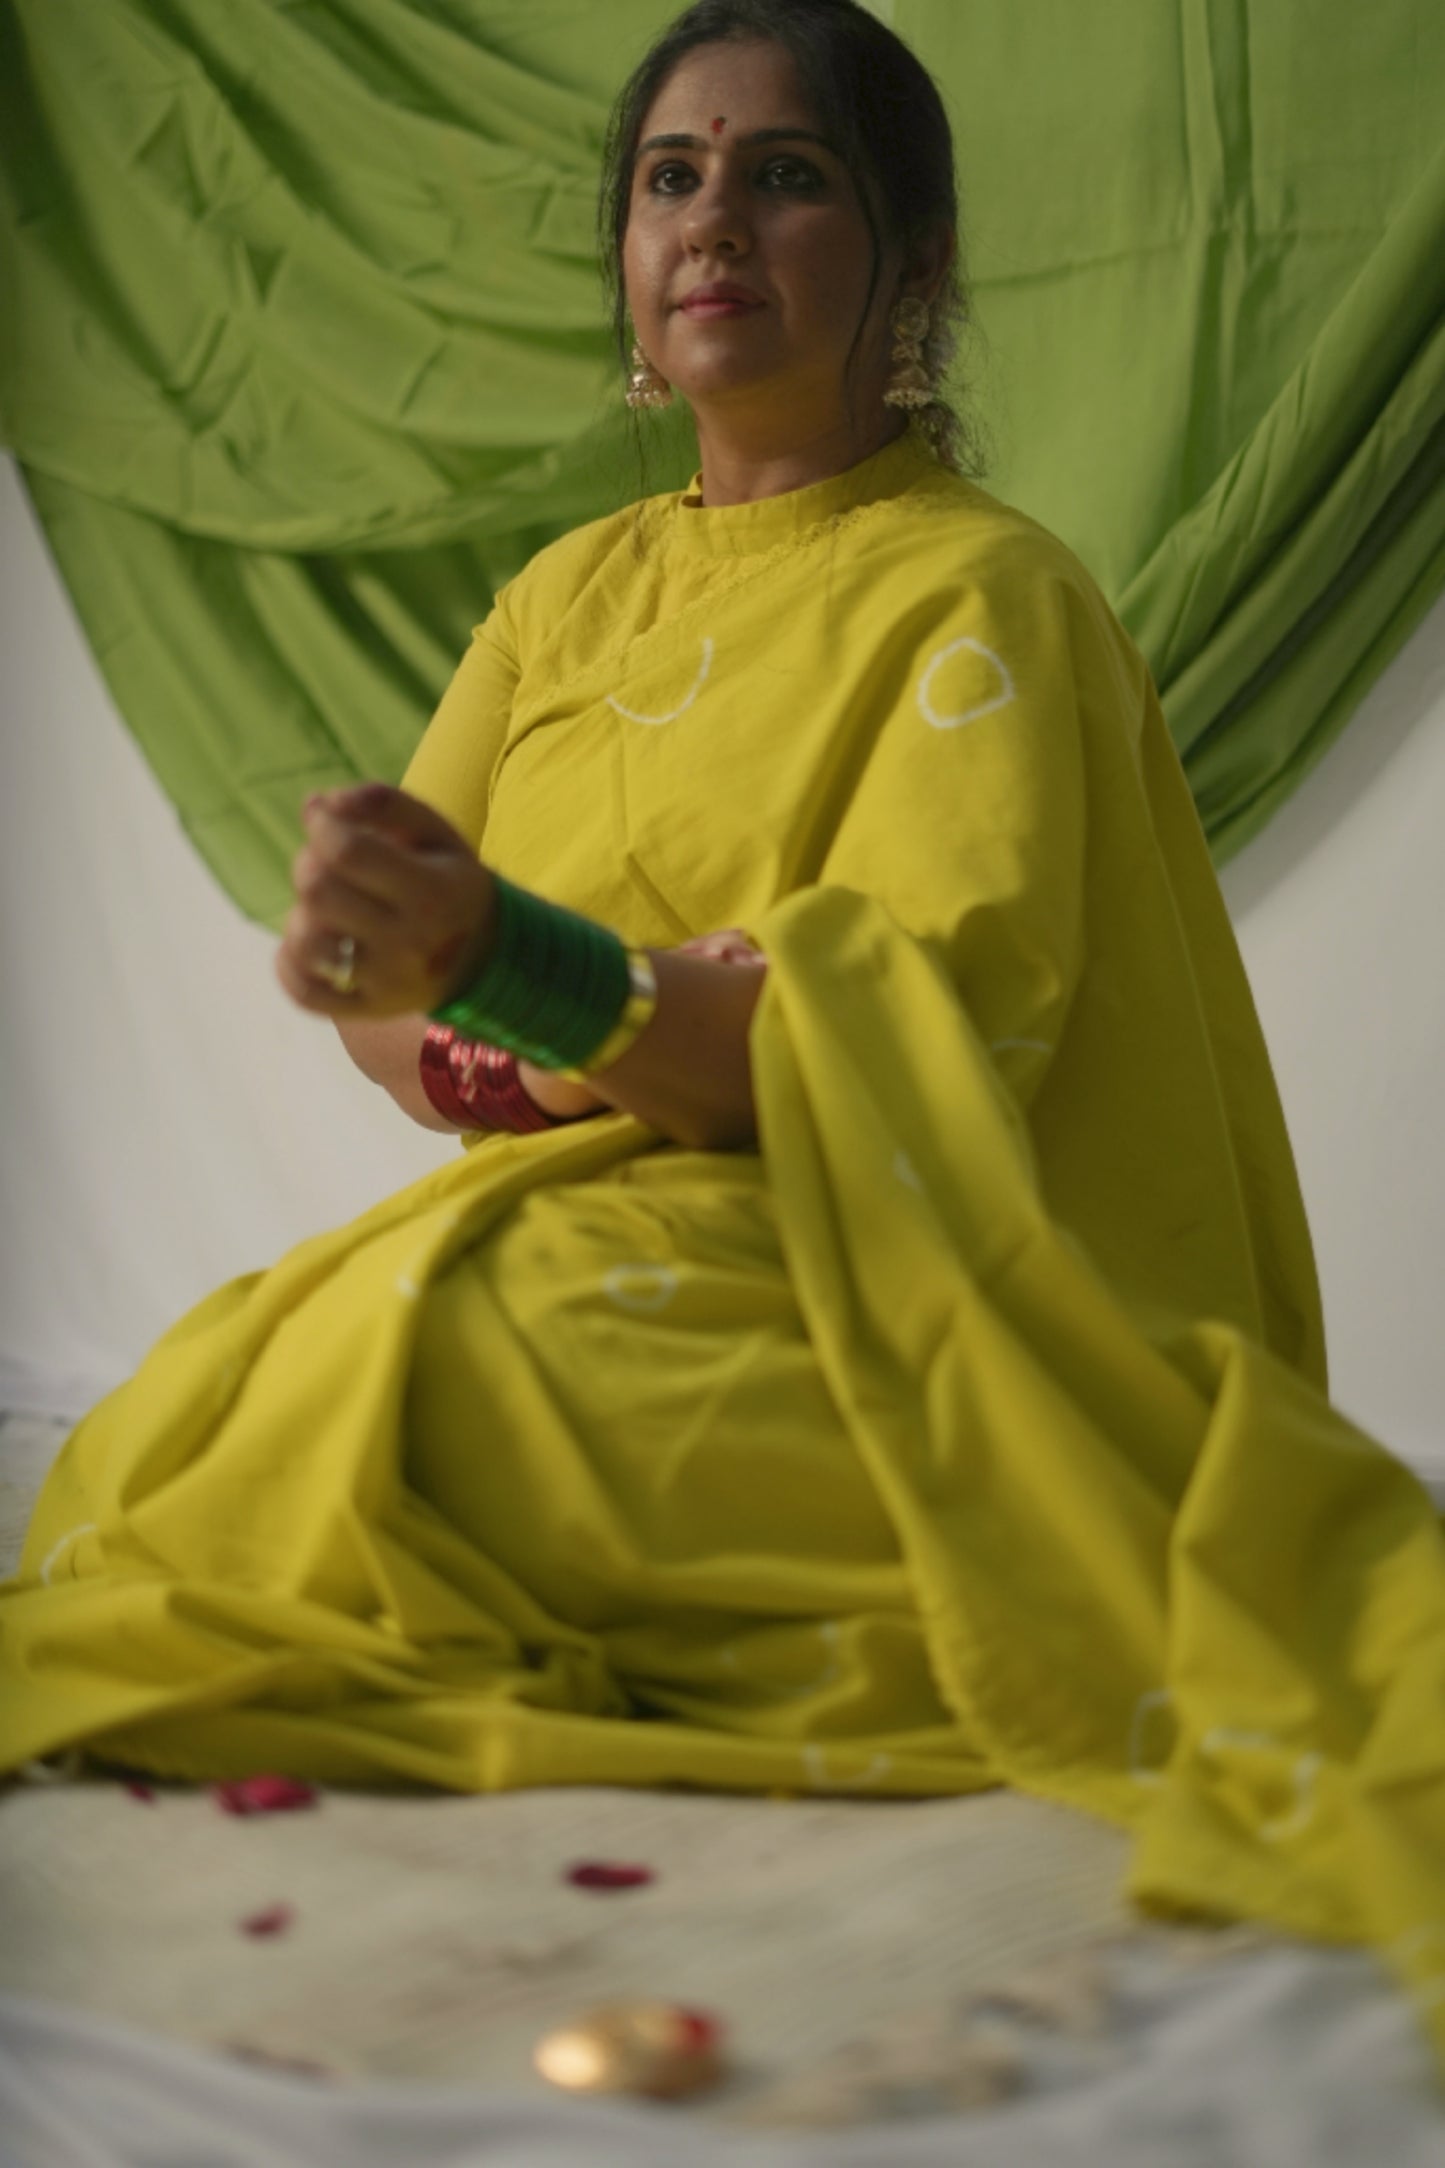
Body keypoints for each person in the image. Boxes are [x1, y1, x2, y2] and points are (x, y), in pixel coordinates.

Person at [5, 0, 1445, 2053]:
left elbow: (872, 1051)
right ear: (622, 254)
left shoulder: (986, 601)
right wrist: (408, 969)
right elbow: (414, 1019)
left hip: (900, 1297)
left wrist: (500, 967)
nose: (713, 220)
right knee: (208, 1409)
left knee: (457, 1376)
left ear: (914, 264)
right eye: (672, 176)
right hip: (622, 1225)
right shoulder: (559, 604)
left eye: (788, 176)